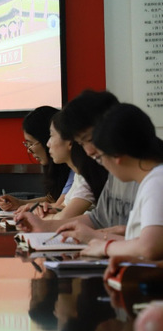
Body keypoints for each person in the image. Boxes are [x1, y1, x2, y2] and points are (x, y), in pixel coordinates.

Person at [14, 90, 137, 243]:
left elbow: (147, 244)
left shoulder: (149, 176)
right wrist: (43, 225)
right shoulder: (112, 175)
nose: (89, 151)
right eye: (82, 142)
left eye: (87, 139)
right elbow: (97, 218)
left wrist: (100, 238)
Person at [74, 103, 163, 259]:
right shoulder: (152, 179)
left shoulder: (156, 181)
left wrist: (106, 247)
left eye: (100, 158)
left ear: (116, 155)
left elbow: (149, 247)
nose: (102, 164)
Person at [0, 106, 73, 212]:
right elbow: (53, 200)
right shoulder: (66, 170)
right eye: (26, 144)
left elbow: (59, 207)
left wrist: (28, 208)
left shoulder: (78, 171)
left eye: (31, 143)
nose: (29, 150)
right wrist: (20, 203)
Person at [37, 111, 107, 220]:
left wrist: (36, 218)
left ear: (69, 142)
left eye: (51, 135)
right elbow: (64, 206)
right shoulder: (78, 175)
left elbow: (63, 218)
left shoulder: (89, 176)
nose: (48, 144)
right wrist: (46, 210)